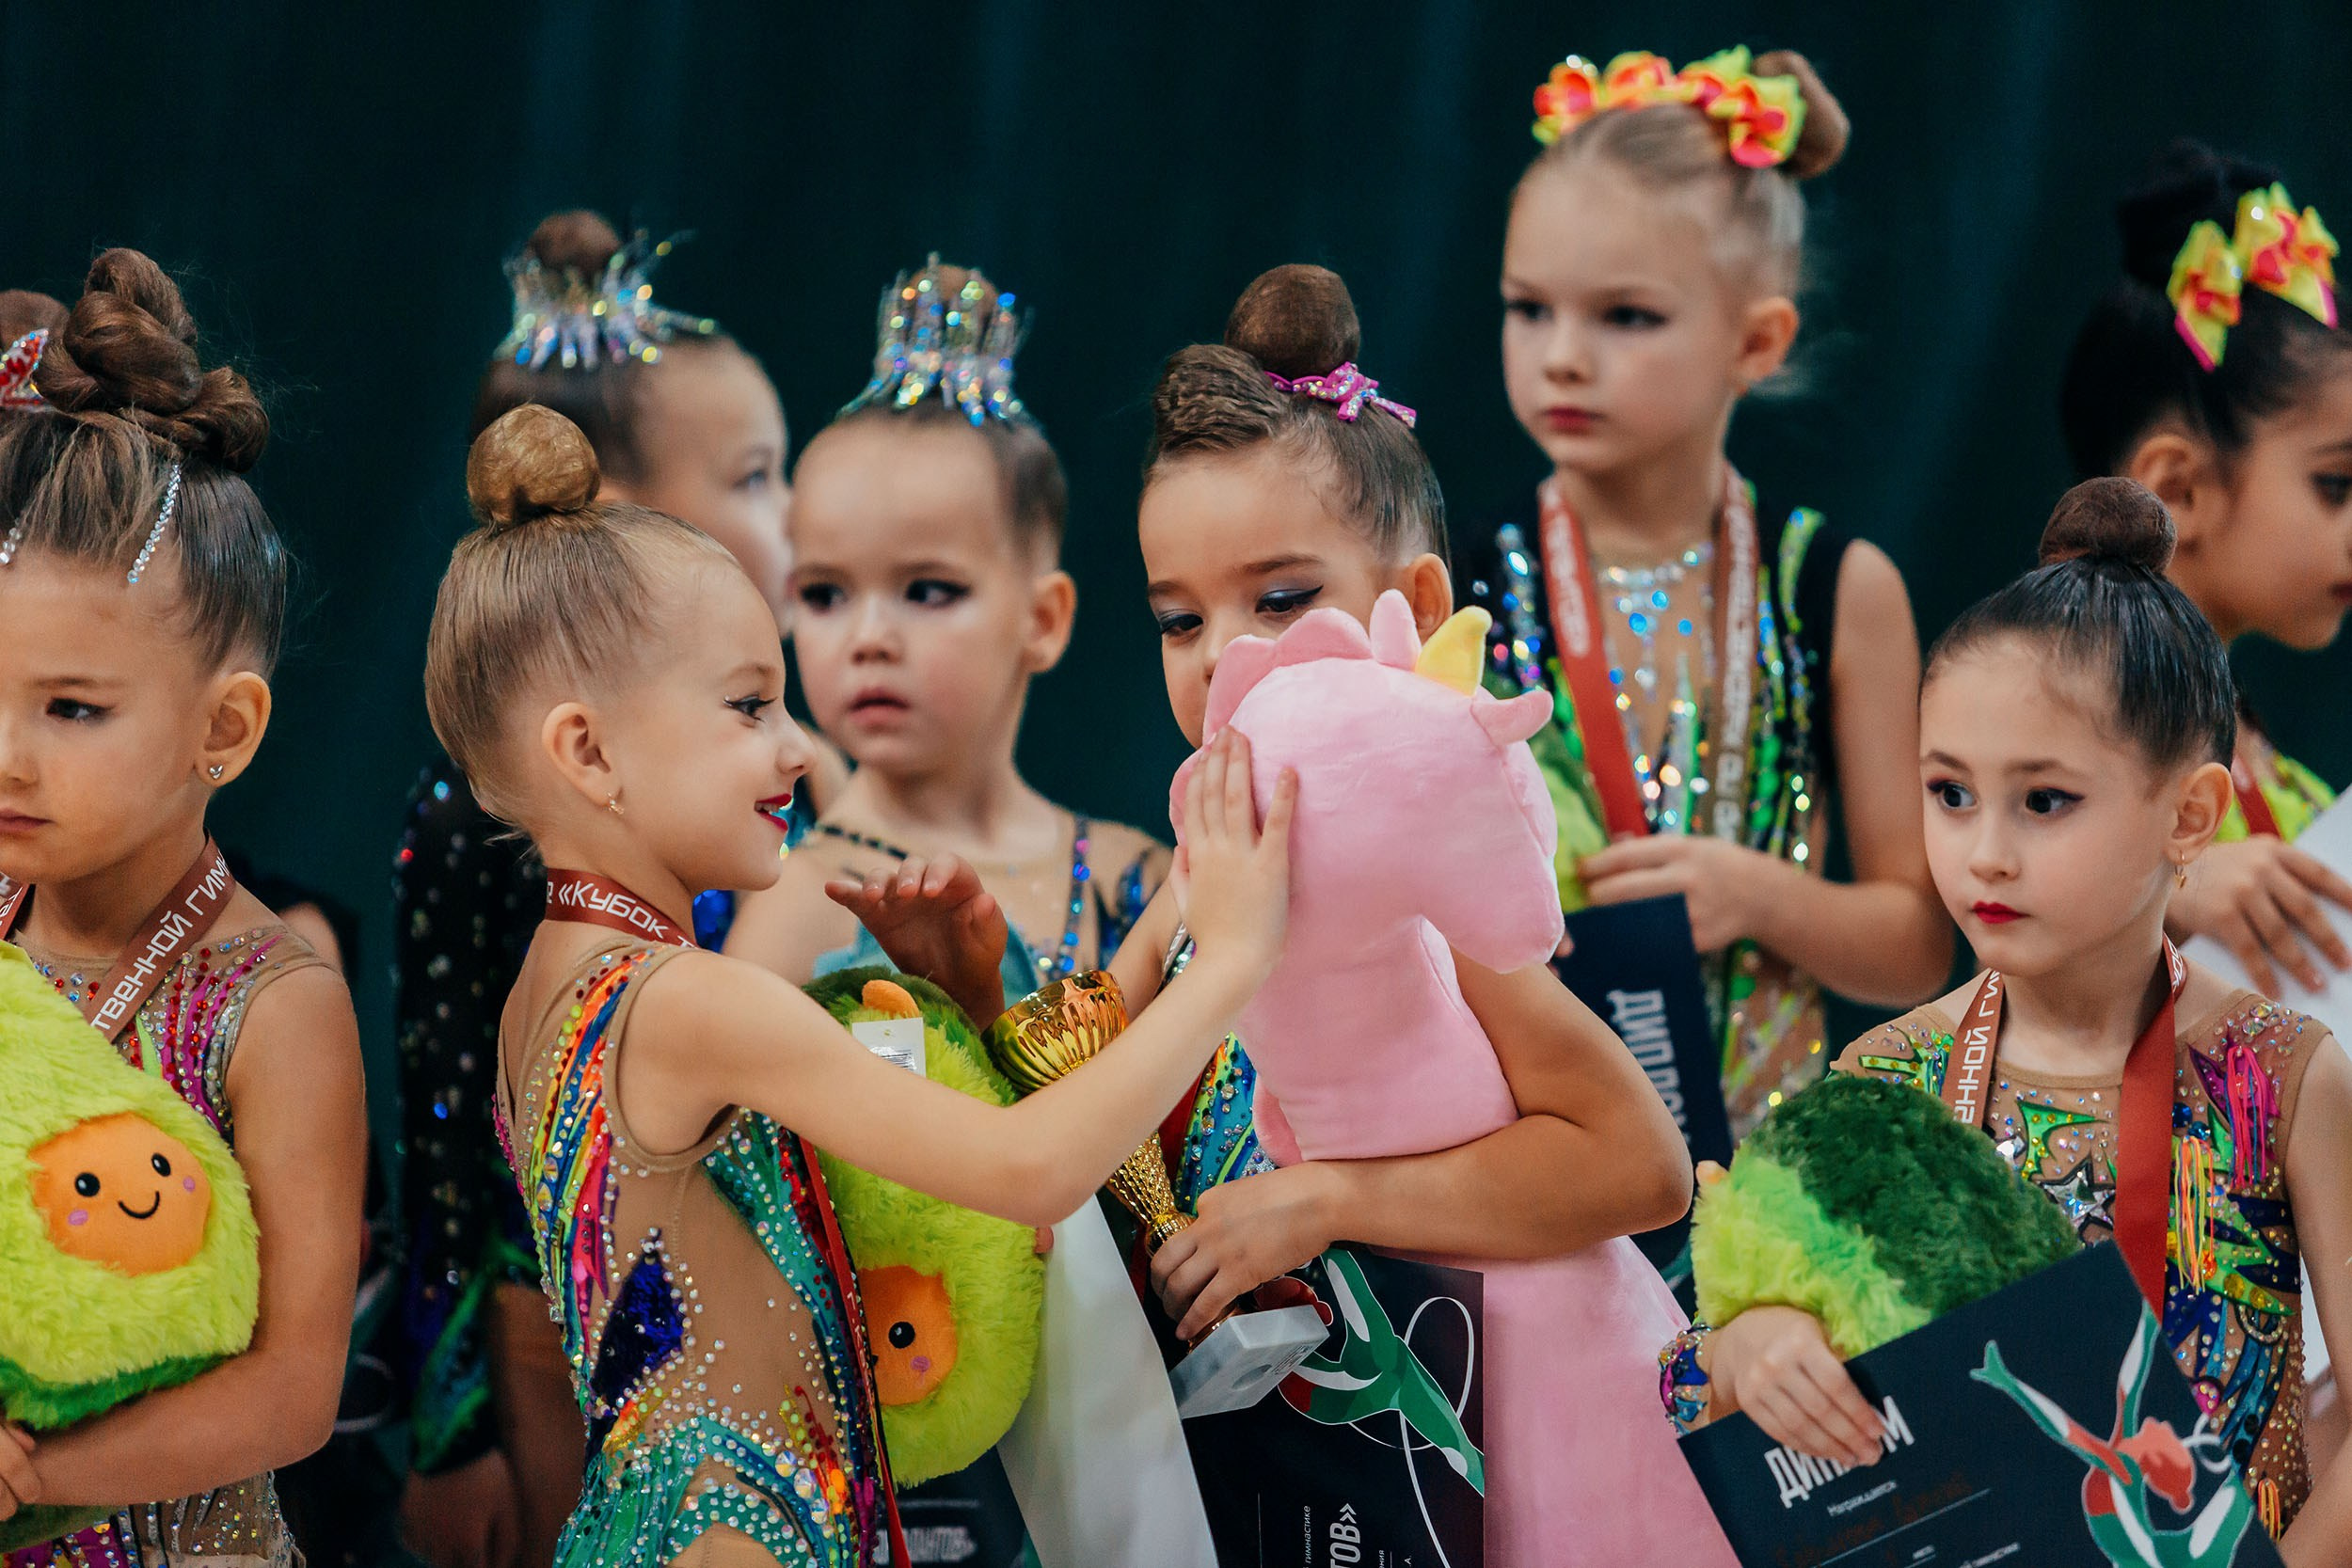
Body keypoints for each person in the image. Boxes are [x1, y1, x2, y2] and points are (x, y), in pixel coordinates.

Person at [421, 402, 1295, 1566]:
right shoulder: (688, 1001)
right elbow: (1032, 1168)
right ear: (586, 752)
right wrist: (1228, 958)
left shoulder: (549, 989)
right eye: (748, 705)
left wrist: (969, 1001)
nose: (798, 748)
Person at [1121, 261, 1728, 1564]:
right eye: (1178, 617)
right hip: (1356, 1461)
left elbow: (1640, 1164)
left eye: (1282, 600)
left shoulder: (1415, 889)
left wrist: (1325, 1199)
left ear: (1423, 611)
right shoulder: (1193, 868)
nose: (1225, 655)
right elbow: (1095, 1083)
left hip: (1550, 1442)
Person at [1677, 481, 2352, 1561]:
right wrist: (1749, 1343)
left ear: (2189, 815)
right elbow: (1691, 1366)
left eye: (2043, 800)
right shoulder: (1886, 1075)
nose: (1984, 852)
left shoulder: (2281, 1071)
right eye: (1949, 793)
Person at [392, 210, 834, 1568]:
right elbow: (441, 1117)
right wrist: (450, 1422)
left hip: (754, 1313)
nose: (794, 516)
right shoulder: (482, 820)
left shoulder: (768, 765)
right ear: (621, 524)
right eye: (755, 477)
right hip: (567, 1322)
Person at [1472, 45, 1949, 1138]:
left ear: (1756, 340)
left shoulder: (1834, 587)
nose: (1562, 356)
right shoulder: (1458, 587)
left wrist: (1755, 895)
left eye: (1625, 316)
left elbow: (1917, 943)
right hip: (1534, 1159)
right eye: (1528, 308)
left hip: (1768, 1170)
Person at [0, 250, 366, 1564]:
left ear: (226, 728)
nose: (8, 756)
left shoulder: (278, 1004)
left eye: (71, 707)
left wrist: (36, 1475)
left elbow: (295, 1387)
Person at [725, 258, 1162, 996]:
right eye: (826, 593)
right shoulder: (803, 905)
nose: (869, 638)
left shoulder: (1132, 878)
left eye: (926, 591)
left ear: (1043, 619)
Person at [2061, 140, 2352, 1000]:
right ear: (2178, 489)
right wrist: (2170, 890)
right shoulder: (2058, 707)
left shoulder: (2265, 764)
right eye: (2336, 485)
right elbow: (1997, 942)